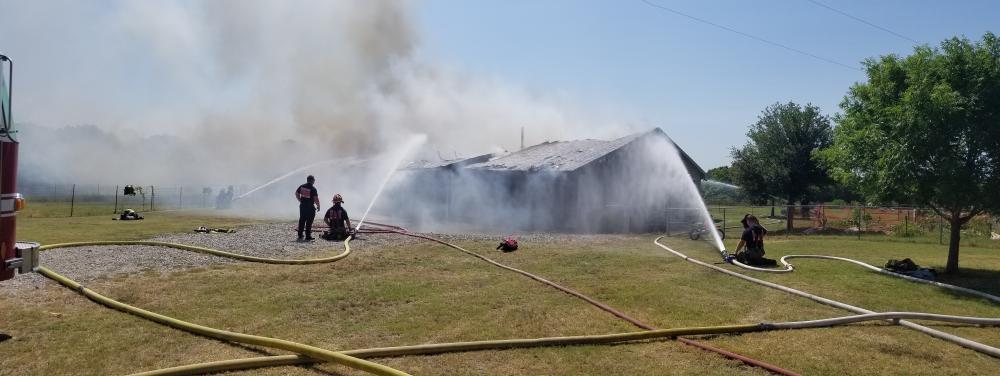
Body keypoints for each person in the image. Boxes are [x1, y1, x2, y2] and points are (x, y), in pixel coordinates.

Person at [295, 176, 320, 241]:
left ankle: (300, 235)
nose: (314, 181)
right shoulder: (313, 189)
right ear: (312, 180)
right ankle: (308, 236)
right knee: (309, 222)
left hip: (302, 206)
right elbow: (315, 199)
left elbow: (296, 193)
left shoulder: (302, 186)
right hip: (310, 207)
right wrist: (318, 206)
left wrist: (300, 200)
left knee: (302, 220)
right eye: (314, 180)